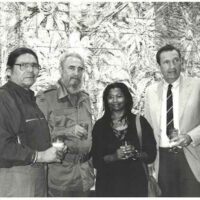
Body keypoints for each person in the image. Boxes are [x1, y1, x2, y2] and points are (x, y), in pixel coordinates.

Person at [0, 47, 65, 197]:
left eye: (34, 66)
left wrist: (52, 152)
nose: (30, 70)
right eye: (23, 65)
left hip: (37, 174)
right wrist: (41, 156)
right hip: (15, 177)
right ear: (9, 71)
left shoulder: (28, 98)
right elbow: (2, 145)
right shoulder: (4, 98)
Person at [145, 44, 200, 197]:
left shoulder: (197, 86)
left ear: (181, 62)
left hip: (190, 156)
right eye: (166, 62)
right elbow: (148, 129)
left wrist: (190, 137)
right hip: (163, 160)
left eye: (176, 60)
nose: (172, 66)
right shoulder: (150, 92)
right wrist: (149, 162)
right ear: (159, 66)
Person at [37, 52, 94, 197]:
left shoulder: (85, 98)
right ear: (61, 70)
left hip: (84, 176)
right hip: (60, 177)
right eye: (71, 68)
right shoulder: (46, 97)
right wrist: (67, 130)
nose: (76, 73)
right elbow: (36, 137)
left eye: (80, 69)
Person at [90, 82, 156, 197]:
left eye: (119, 96)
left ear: (126, 98)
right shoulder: (99, 126)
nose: (115, 100)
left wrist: (135, 154)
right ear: (106, 100)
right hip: (107, 187)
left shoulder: (140, 122)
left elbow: (151, 154)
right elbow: (95, 161)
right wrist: (114, 156)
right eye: (110, 97)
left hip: (136, 186)